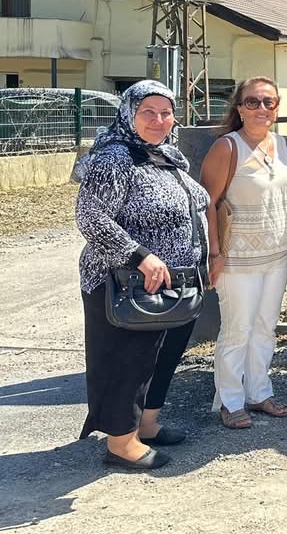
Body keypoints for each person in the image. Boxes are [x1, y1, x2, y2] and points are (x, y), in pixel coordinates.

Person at [74, 80, 209, 470]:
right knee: (127, 361)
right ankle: (121, 443)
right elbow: (90, 217)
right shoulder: (115, 158)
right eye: (147, 111)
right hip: (124, 281)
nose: (158, 119)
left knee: (161, 357)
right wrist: (140, 257)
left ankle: (146, 425)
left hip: (175, 281)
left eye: (165, 112)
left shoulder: (164, 156)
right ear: (128, 113)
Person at [200, 77, 287, 429]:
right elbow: (208, 204)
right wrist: (214, 253)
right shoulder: (227, 147)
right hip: (236, 258)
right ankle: (230, 400)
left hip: (277, 254)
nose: (261, 108)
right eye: (252, 102)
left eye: (269, 102)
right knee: (237, 329)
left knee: (265, 327)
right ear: (239, 108)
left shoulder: (281, 144)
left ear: (277, 108)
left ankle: (259, 392)